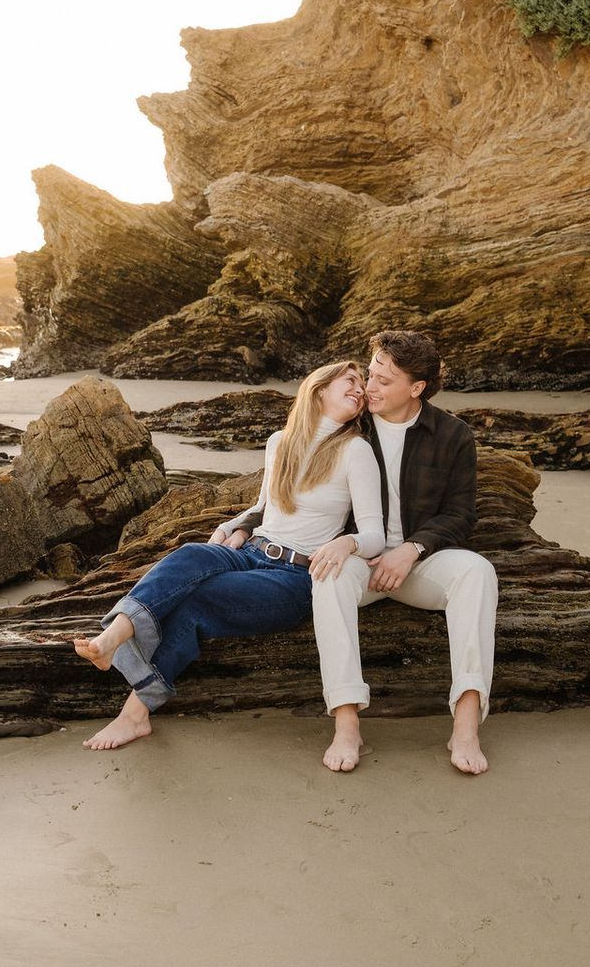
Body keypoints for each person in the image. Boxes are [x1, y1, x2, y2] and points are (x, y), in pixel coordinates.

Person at [71, 360, 384, 750]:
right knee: (191, 554)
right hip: (251, 551)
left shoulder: (355, 450)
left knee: (198, 599)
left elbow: (375, 535)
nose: (360, 389)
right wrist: (236, 525)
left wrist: (346, 542)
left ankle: (133, 713)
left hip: (294, 577)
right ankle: (115, 634)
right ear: (319, 389)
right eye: (350, 381)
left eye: (363, 385)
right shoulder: (279, 443)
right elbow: (266, 507)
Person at [225, 329, 498, 775]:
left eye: (384, 380)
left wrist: (411, 549)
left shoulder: (452, 435)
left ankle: (466, 722)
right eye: (369, 374)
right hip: (358, 561)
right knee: (326, 578)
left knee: (478, 573)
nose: (369, 387)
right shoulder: (350, 428)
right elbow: (288, 485)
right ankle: (347, 722)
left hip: (423, 562)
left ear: (417, 388)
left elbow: (461, 514)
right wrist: (244, 525)